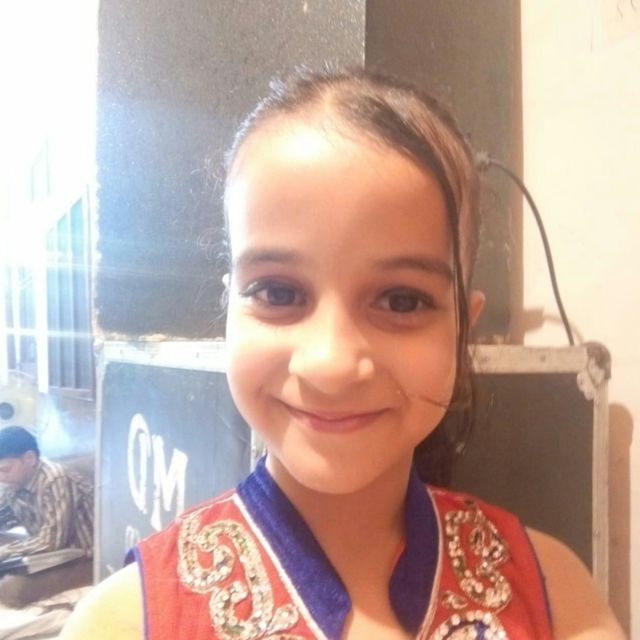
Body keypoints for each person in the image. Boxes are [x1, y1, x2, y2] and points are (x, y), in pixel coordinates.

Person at [62, 69, 624, 639]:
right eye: (278, 293)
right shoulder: (124, 622)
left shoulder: (558, 595)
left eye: (402, 300)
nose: (329, 364)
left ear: (463, 331)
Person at [0, 426, 94, 606]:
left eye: (5, 470)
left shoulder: (54, 479)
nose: (1, 477)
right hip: (48, 555)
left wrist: (6, 552)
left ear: (29, 458)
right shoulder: (14, 484)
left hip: (82, 557)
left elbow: (52, 542)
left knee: (11, 589)